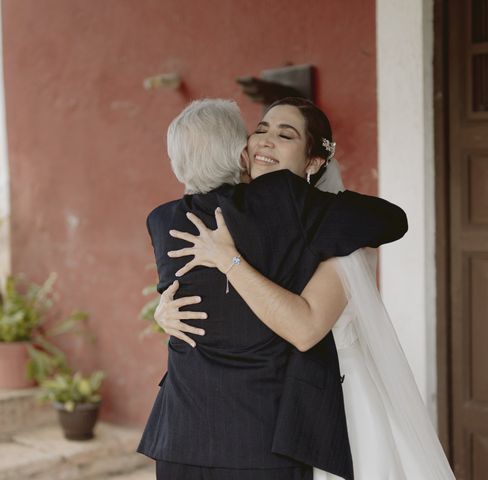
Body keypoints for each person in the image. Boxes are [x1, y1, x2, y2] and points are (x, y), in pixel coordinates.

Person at [156, 97, 456, 479]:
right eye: (261, 130)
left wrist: (228, 260)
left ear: (313, 162)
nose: (265, 141)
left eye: (285, 135)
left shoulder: (338, 229)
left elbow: (305, 327)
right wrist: (163, 308)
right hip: (225, 421)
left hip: (322, 405)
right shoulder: (229, 213)